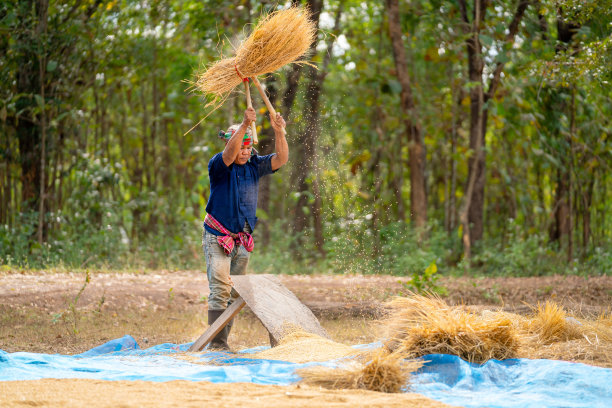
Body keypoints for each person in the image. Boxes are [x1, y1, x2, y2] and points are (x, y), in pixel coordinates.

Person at [202, 106, 288, 350]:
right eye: (240, 146)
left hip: (242, 239)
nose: (244, 152)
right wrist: (243, 124)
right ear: (231, 144)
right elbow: (229, 155)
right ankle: (217, 345)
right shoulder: (219, 164)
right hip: (217, 236)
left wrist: (279, 132)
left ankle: (221, 341)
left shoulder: (254, 164)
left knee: (235, 292)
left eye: (248, 147)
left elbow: (281, 159)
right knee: (220, 289)